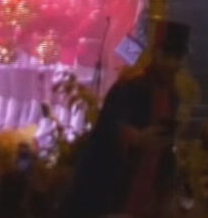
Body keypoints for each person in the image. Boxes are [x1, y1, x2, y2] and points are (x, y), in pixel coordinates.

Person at [61, 19, 191, 218]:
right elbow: (109, 126)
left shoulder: (173, 96)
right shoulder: (131, 85)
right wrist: (137, 137)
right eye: (167, 56)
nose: (171, 63)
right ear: (155, 53)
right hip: (114, 186)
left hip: (148, 187)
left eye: (177, 57)